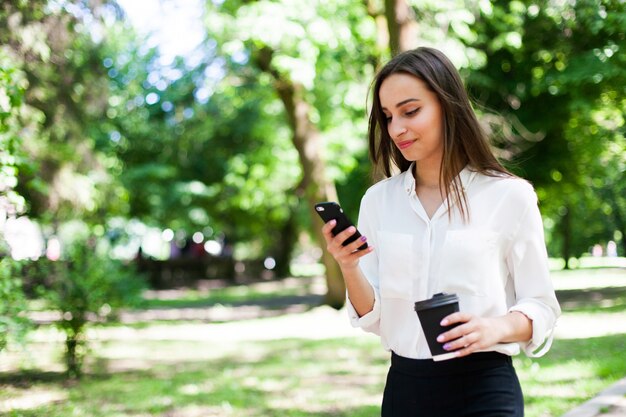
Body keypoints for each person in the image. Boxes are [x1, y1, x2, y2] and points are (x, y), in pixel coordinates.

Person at [321, 47, 561, 416]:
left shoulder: (508, 196)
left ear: (448, 106)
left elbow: (541, 307)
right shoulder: (378, 201)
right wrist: (348, 265)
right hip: (406, 390)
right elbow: (374, 316)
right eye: (387, 116)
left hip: (484, 388)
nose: (396, 128)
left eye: (410, 111)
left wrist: (493, 328)